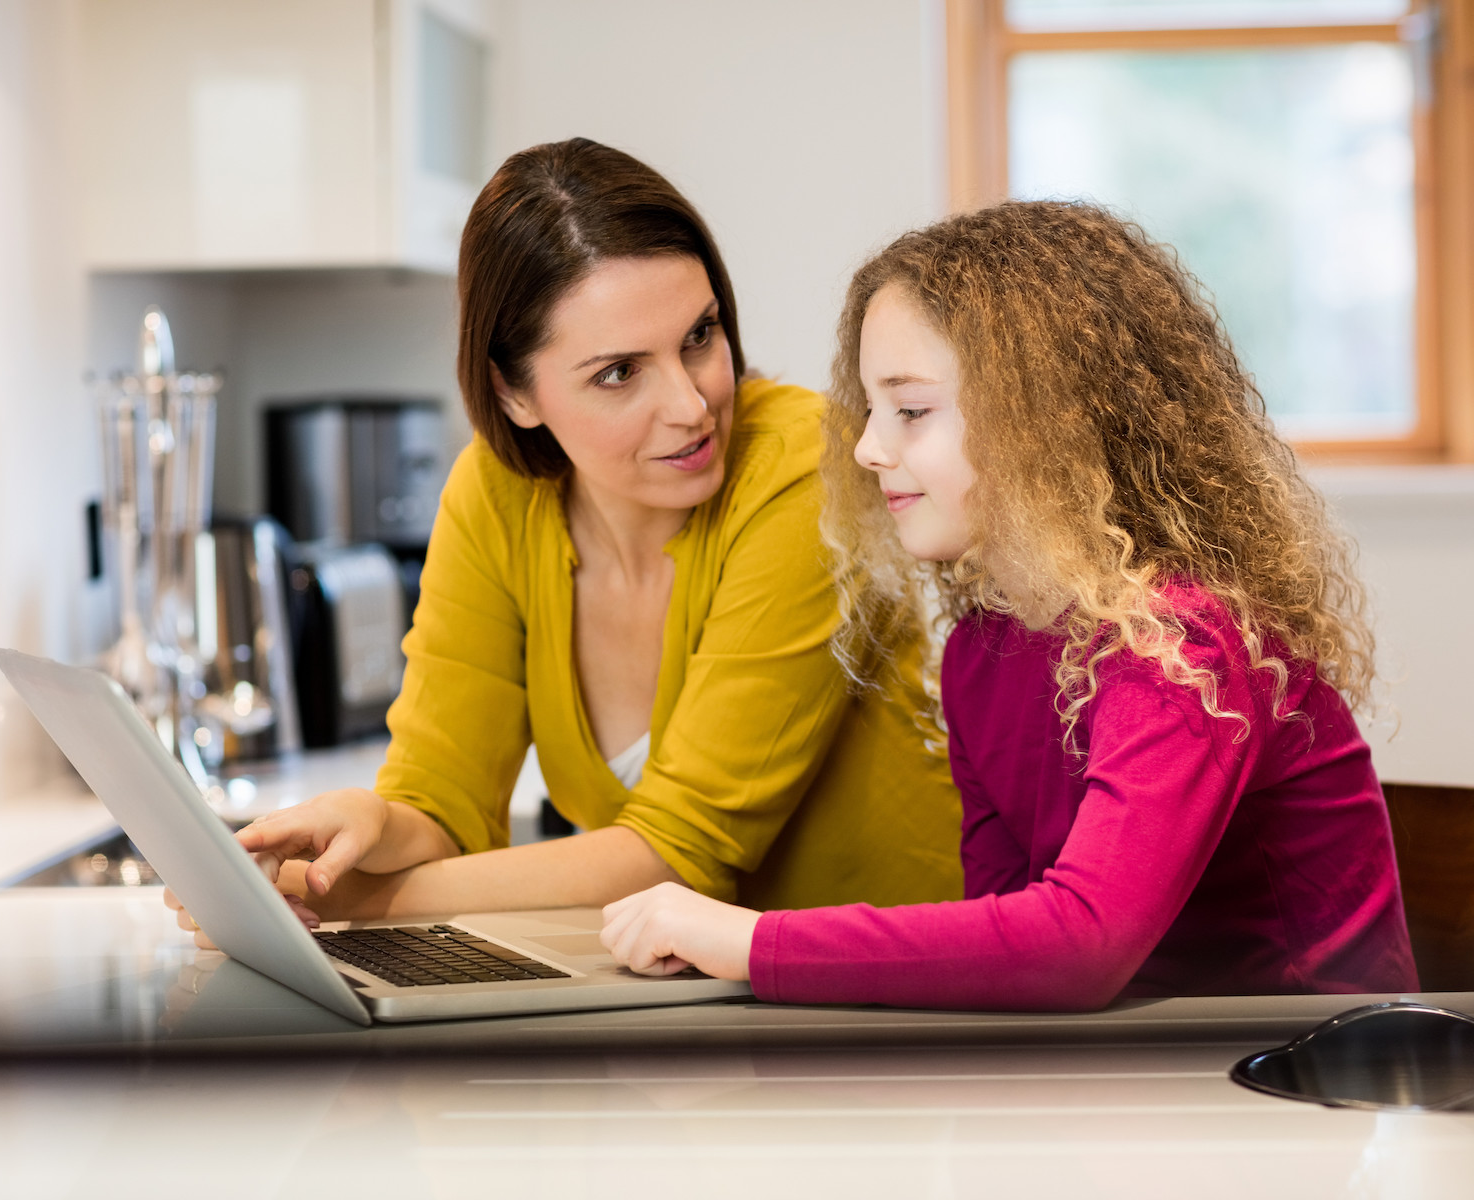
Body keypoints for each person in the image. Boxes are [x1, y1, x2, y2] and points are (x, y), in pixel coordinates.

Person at [599, 200, 1421, 1009]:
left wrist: (750, 943)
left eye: (912, 411)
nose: (867, 447)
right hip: (1135, 1077)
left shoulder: (1183, 641)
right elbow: (999, 942)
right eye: (872, 408)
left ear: (1046, 421)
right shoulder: (980, 653)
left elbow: (1078, 946)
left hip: (1302, 1084)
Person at [167, 139, 961, 942]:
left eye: (700, 335)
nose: (690, 403)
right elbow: (444, 804)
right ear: (512, 392)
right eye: (620, 372)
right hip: (690, 999)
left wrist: (332, 899)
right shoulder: (496, 495)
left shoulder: (803, 468)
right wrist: (364, 824)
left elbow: (679, 853)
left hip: (893, 994)